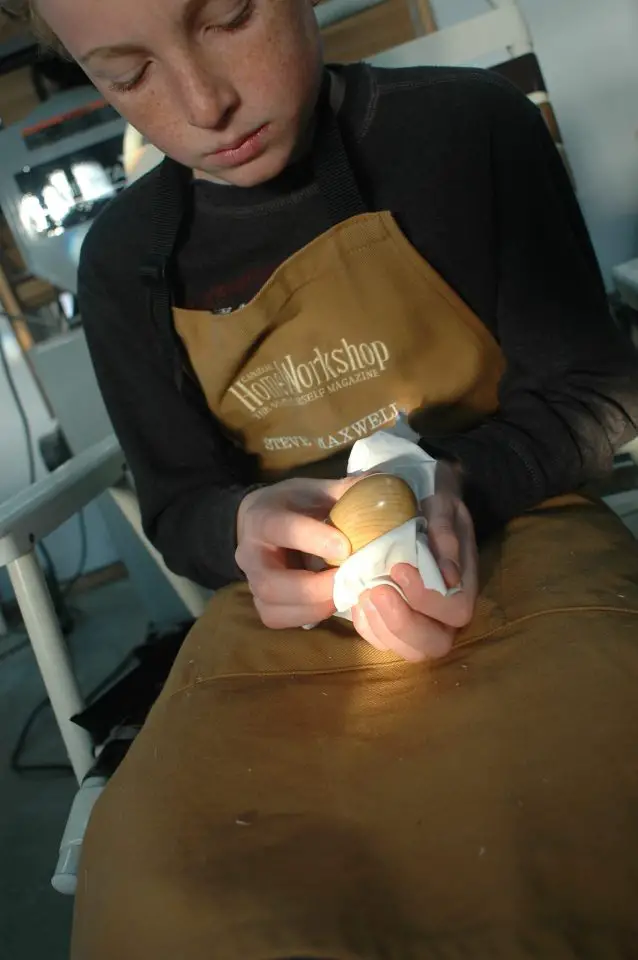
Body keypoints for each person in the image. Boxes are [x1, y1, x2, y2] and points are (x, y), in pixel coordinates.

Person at [15, 0, 638, 955]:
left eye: (227, 16)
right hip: (286, 618)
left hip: (534, 534)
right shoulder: (127, 263)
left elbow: (596, 388)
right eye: (128, 75)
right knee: (168, 906)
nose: (205, 103)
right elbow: (180, 504)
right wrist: (240, 526)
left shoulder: (466, 131)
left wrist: (460, 483)